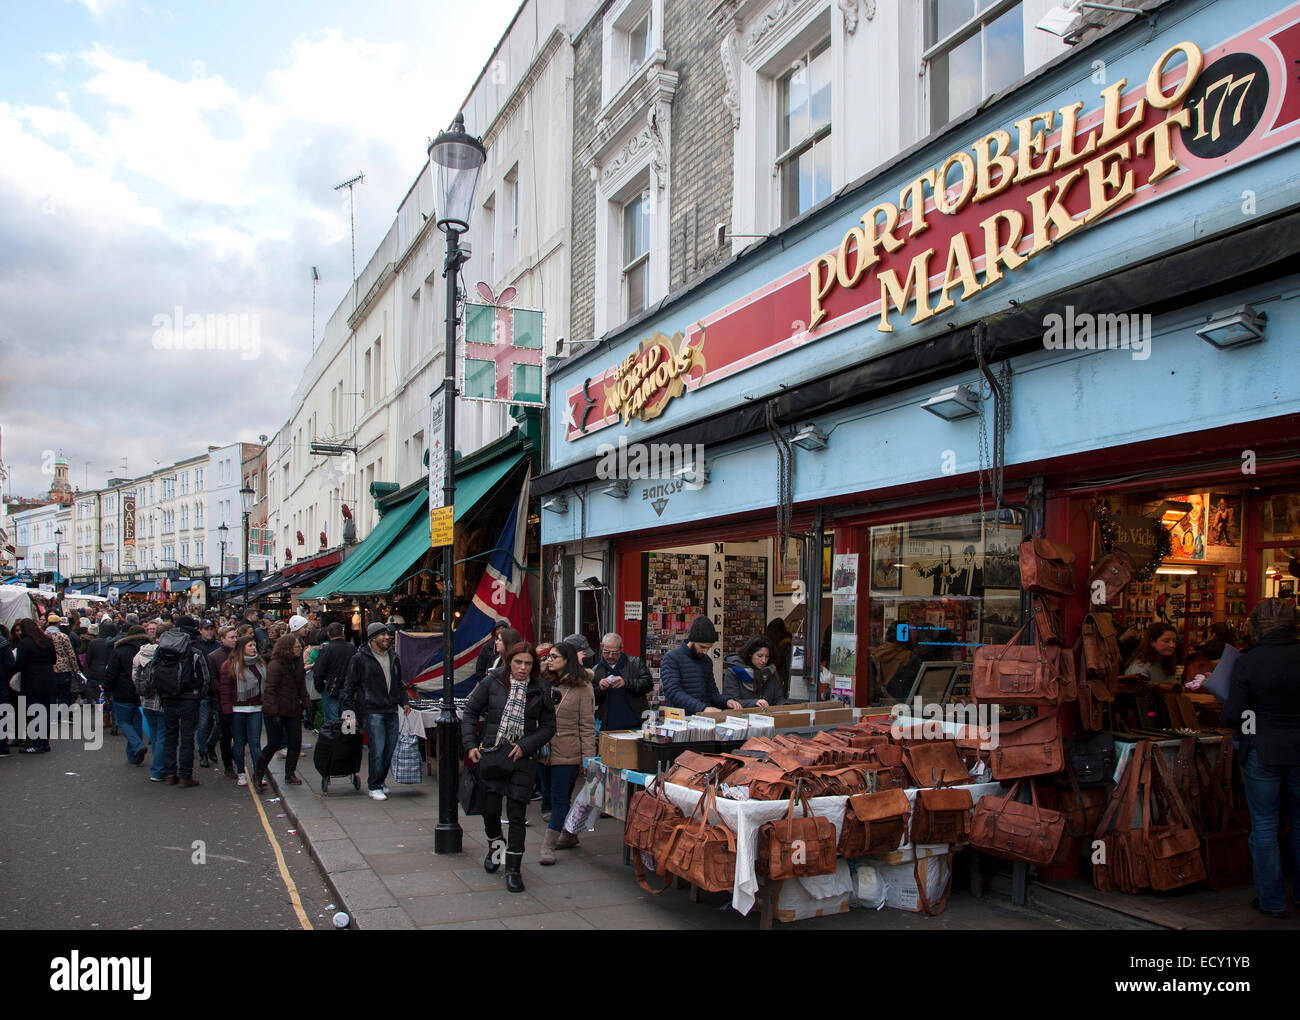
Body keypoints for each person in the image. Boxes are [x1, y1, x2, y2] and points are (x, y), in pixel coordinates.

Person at [1221, 598, 1300, 919]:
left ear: (1257, 627)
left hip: (1262, 750)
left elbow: (1232, 716)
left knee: (1265, 826)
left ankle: (1272, 901)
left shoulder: (1249, 661)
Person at [461, 641, 556, 892]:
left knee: (517, 814)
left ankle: (513, 868)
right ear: (509, 662)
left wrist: (526, 745)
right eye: (518, 662)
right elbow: (470, 711)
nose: (523, 668)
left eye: (528, 663)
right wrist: (471, 744)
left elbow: (549, 726)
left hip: (522, 759)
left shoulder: (540, 688)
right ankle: (495, 845)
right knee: (490, 810)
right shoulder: (492, 682)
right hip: (492, 753)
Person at [538, 641, 596, 864]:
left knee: (560, 796)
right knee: (548, 794)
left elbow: (587, 726)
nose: (549, 660)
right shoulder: (544, 681)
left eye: (554, 657)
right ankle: (569, 833)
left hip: (568, 750)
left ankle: (548, 846)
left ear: (567, 660)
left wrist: (588, 758)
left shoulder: (583, 687)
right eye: (548, 656)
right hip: (543, 749)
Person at [342, 622, 412, 800]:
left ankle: (380, 781)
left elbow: (398, 683)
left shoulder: (393, 656)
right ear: (373, 639)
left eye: (387, 635)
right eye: (383, 635)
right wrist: (348, 713)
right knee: (378, 749)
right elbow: (350, 686)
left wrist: (405, 701)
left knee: (389, 749)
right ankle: (374, 785)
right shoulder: (359, 658)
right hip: (372, 710)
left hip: (391, 709)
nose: (387, 637)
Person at [152, 615, 210, 788]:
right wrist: (200, 696)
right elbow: (205, 677)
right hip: (189, 698)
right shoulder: (195, 648)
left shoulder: (163, 645)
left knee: (170, 735)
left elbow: (153, 671)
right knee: (187, 737)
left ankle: (170, 773)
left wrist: (161, 693)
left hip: (168, 697)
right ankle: (185, 776)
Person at [254, 634, 311, 789]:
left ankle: (290, 773)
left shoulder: (297, 662)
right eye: (297, 647)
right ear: (288, 649)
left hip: (293, 709)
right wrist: (274, 713)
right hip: (276, 711)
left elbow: (301, 685)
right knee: (273, 744)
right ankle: (258, 774)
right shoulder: (275, 665)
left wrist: (306, 704)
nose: (300, 649)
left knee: (295, 742)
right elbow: (270, 690)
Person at [659, 616, 742, 715]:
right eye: (702, 647)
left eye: (708, 648)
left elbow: (712, 693)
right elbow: (673, 692)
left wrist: (727, 701)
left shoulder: (706, 661)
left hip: (702, 717)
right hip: (679, 718)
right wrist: (702, 708)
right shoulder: (672, 657)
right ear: (692, 641)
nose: (705, 652)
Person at [221, 635, 266, 786]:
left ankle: (258, 774)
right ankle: (241, 773)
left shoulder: (259, 663)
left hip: (256, 708)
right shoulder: (230, 665)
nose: (254, 648)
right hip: (237, 709)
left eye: (254, 645)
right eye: (250, 646)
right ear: (242, 648)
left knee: (255, 743)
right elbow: (225, 690)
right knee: (239, 743)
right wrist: (227, 710)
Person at [105, 624, 149, 765]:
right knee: (136, 721)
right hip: (144, 690)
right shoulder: (149, 649)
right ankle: (133, 755)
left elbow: (111, 672)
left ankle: (137, 746)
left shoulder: (120, 649)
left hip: (123, 690)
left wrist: (107, 689)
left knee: (123, 721)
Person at [591, 632, 652, 730]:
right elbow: (592, 699)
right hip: (608, 726)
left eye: (615, 653)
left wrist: (626, 683)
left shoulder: (635, 663)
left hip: (636, 724)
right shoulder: (596, 670)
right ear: (601, 647)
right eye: (606, 652)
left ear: (621, 648)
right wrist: (600, 688)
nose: (610, 656)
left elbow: (648, 684)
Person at [132, 623, 168, 782]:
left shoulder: (141, 653)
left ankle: (158, 765)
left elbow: (134, 677)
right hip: (161, 701)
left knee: (154, 735)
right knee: (162, 736)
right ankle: (158, 770)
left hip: (146, 700)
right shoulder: (167, 654)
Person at [14, 619, 57, 753]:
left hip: (32, 682)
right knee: (46, 714)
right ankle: (44, 743)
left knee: (35, 713)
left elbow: (20, 664)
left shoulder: (24, 643)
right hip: (49, 681)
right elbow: (54, 660)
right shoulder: (47, 641)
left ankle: (37, 744)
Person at [206, 626, 239, 777]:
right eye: (231, 637)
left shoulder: (241, 653)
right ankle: (228, 765)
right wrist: (226, 691)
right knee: (226, 735)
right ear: (222, 639)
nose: (235, 640)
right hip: (223, 702)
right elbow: (212, 681)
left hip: (242, 701)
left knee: (241, 734)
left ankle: (235, 755)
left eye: (236, 637)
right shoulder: (213, 657)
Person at [723, 636, 787, 708]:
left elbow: (778, 698)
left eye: (767, 656)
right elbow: (732, 701)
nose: (764, 660)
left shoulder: (771, 671)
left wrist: (785, 706)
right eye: (760, 656)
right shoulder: (733, 671)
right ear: (750, 654)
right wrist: (755, 703)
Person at [312, 622, 356, 724]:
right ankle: (348, 738)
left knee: (332, 721)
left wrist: (320, 687)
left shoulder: (326, 649)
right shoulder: (352, 649)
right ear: (342, 633)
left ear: (328, 634)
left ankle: (334, 738)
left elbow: (318, 671)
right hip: (348, 688)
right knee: (348, 721)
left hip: (330, 688)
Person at [46, 613, 77, 707]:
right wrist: (76, 669)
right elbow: (71, 654)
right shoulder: (63, 636)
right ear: (58, 623)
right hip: (63, 668)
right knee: (65, 694)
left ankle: (51, 715)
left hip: (49, 668)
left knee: (51, 694)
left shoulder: (43, 636)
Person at [473, 619, 511, 684]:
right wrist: (487, 684)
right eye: (498, 628)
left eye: (503, 628)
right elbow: (479, 671)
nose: (500, 630)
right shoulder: (487, 647)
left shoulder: (514, 648)